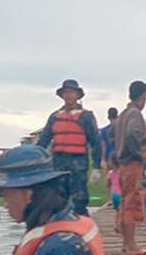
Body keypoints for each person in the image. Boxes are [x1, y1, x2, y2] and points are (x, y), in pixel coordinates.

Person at [37, 79, 103, 216]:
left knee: (79, 200)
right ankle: (61, 225)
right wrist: (34, 156)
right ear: (62, 95)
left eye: (72, 92)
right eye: (66, 92)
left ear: (77, 95)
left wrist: (97, 167)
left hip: (78, 163)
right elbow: (44, 140)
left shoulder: (86, 117)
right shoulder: (55, 116)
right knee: (58, 199)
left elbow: (95, 142)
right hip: (58, 164)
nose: (68, 95)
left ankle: (82, 224)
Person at [110, 80, 146, 255]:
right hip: (132, 163)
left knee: (125, 203)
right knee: (132, 203)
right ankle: (131, 245)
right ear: (143, 96)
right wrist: (140, 154)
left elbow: (112, 135)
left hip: (122, 164)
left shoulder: (123, 114)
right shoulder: (135, 114)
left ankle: (126, 243)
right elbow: (133, 134)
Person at [106, 155, 121, 234]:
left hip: (114, 194)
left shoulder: (110, 172)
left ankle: (116, 224)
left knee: (118, 211)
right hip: (121, 194)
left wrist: (109, 197)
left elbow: (107, 184)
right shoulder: (122, 172)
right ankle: (118, 225)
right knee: (121, 211)